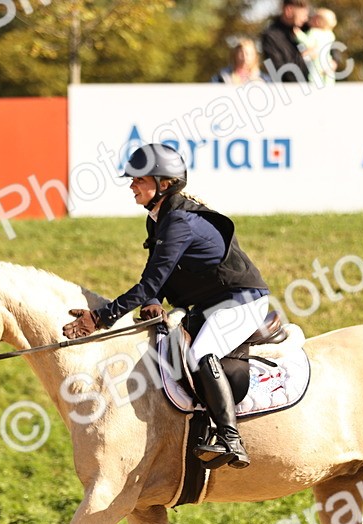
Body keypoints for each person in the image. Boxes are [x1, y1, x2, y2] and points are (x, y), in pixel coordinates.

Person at [62, 143, 273, 470]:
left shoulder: (178, 221)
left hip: (242, 300)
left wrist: (99, 318)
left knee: (200, 353)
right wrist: (151, 304)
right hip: (210, 303)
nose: (132, 185)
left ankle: (231, 439)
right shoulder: (158, 218)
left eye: (139, 179)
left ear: (164, 183)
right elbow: (154, 279)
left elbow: (149, 283)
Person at [260, 0, 311, 83]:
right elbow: (276, 71)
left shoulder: (307, 29)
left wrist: (335, 59)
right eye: (303, 15)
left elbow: (328, 39)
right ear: (289, 11)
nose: (306, 18)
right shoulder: (271, 37)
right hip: (289, 91)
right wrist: (304, 57)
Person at [299, 7, 338, 87]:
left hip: (316, 62)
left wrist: (298, 35)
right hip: (327, 61)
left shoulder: (313, 32)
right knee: (328, 80)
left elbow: (307, 41)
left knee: (314, 76)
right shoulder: (330, 34)